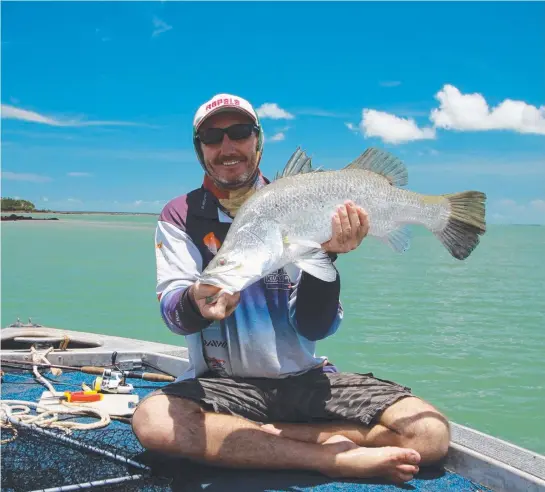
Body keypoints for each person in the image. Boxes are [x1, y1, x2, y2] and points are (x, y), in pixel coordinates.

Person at [132, 93, 450, 483]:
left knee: (429, 433)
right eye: (212, 138)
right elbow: (174, 313)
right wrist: (196, 304)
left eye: (240, 132)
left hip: (306, 381)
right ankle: (331, 458)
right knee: (153, 422)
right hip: (226, 387)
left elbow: (315, 328)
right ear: (199, 149)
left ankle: (264, 442)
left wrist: (327, 258)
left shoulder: (291, 202)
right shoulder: (179, 215)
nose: (227, 147)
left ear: (258, 140)